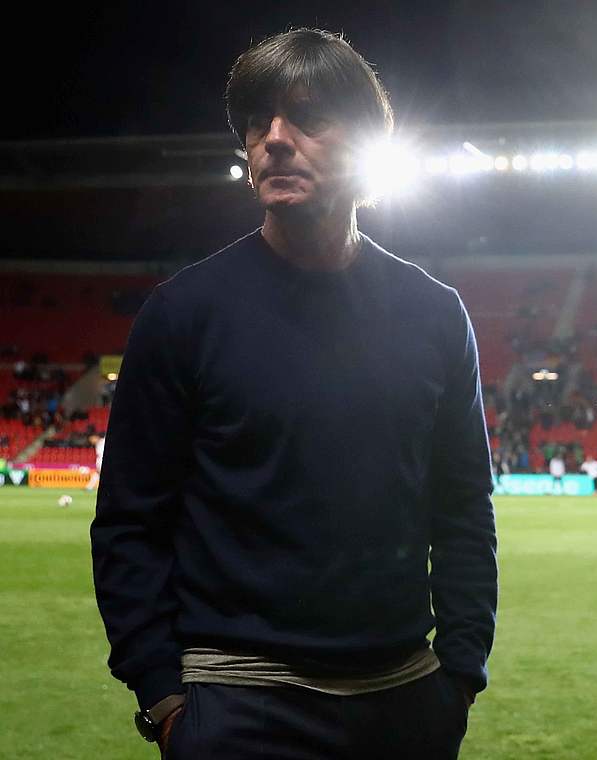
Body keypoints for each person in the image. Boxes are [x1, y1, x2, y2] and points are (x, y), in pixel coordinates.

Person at [90, 29, 496, 759]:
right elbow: (128, 523)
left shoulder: (435, 313)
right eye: (258, 121)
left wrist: (459, 676)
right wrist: (166, 698)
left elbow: (464, 509)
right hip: (236, 708)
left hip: (403, 702)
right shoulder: (183, 313)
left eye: (307, 118)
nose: (274, 140)